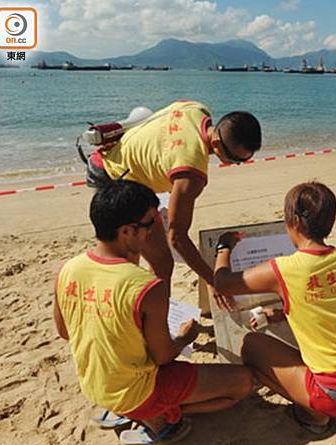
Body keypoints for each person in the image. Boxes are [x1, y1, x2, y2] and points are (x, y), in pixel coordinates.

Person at [53, 180, 253, 445]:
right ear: (126, 231)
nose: (155, 229)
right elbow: (163, 355)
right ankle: (161, 419)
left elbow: (65, 332)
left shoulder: (67, 269)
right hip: (137, 390)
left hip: (95, 384)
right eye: (151, 223)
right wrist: (185, 337)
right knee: (242, 383)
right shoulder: (146, 287)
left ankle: (127, 409)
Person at [212, 182, 336, 433]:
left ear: (295, 223)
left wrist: (223, 248)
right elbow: (328, 304)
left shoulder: (283, 270)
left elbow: (223, 283)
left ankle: (315, 416)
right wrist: (282, 313)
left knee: (251, 344)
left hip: (335, 395)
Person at [86, 100, 262, 308]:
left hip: (111, 157)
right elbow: (177, 237)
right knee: (158, 262)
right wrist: (213, 281)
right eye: (235, 160)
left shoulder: (196, 108)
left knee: (153, 259)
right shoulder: (191, 173)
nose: (236, 165)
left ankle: (148, 316)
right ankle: (154, 327)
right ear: (216, 144)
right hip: (115, 179)